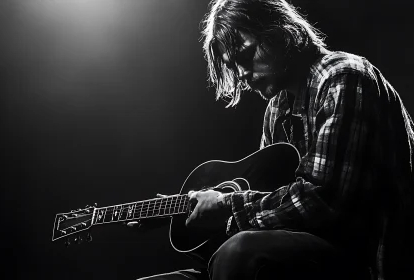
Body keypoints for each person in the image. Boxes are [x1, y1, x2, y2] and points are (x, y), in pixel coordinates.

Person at [129, 0, 414, 279]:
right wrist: (187, 209)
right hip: (298, 251)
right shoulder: (276, 109)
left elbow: (323, 202)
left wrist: (225, 205)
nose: (241, 74)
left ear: (280, 30)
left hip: (360, 259)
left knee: (239, 252)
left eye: (245, 54)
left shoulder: (343, 77)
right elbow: (269, 201)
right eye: (232, 65)